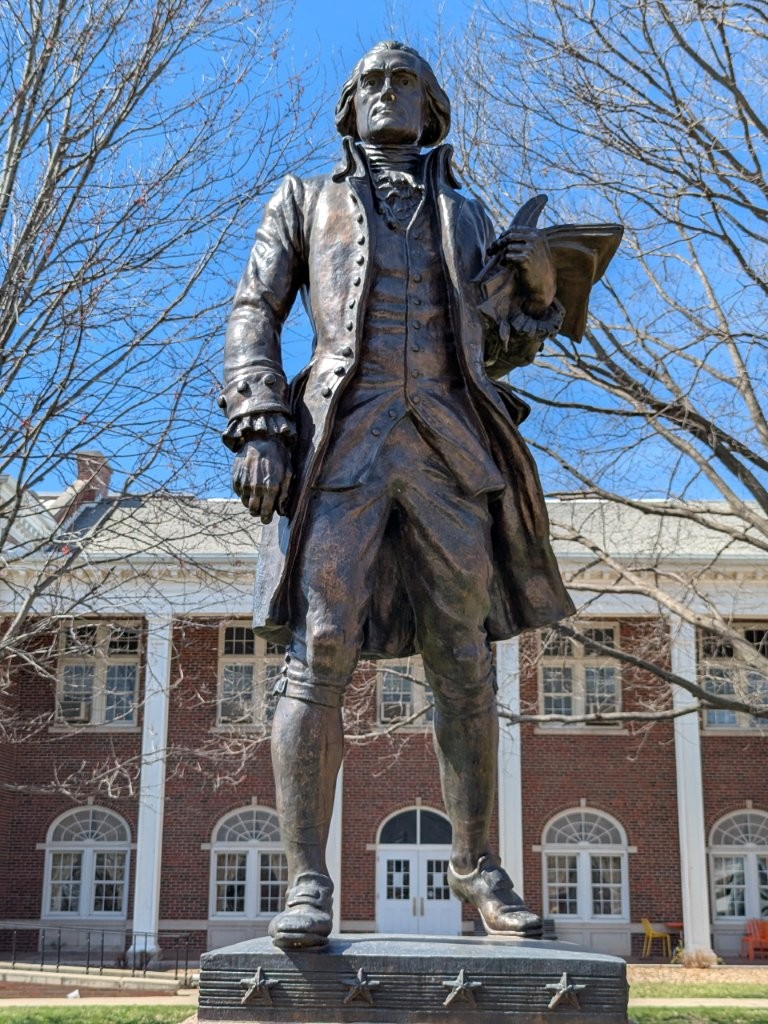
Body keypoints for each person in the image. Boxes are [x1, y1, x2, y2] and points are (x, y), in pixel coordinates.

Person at [219, 41, 577, 950]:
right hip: (344, 441)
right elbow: (254, 309)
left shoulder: (465, 212)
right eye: (372, 82)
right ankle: (306, 879)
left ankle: (479, 867)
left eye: (403, 79)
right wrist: (261, 416)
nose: (387, 92)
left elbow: (500, 343)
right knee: (321, 643)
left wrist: (533, 279)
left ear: (432, 104)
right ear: (351, 106)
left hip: (451, 448)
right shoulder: (305, 199)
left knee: (463, 655)